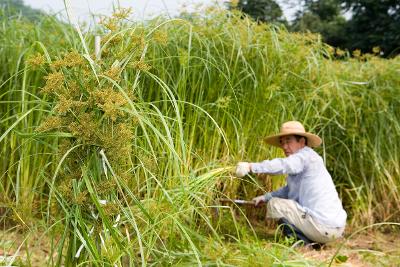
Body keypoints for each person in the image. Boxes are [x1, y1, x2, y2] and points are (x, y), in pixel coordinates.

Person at [235, 121, 347, 246]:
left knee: (275, 205)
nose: (284, 146)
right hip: (334, 227)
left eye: (289, 141)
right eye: (282, 142)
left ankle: (300, 243)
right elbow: (288, 190)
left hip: (323, 226)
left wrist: (251, 166)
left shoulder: (304, 157)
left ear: (302, 142)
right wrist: (265, 198)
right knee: (273, 201)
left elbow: (283, 165)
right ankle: (313, 241)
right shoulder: (310, 160)